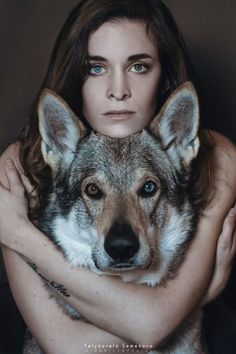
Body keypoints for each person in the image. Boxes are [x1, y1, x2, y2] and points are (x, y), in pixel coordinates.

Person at [0, 0, 235, 352]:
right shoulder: (23, 163)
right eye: (96, 68)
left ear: (164, 75)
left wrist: (17, 234)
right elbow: (65, 346)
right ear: (76, 76)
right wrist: (198, 294)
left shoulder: (217, 157)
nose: (118, 90)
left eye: (139, 66)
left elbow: (153, 326)